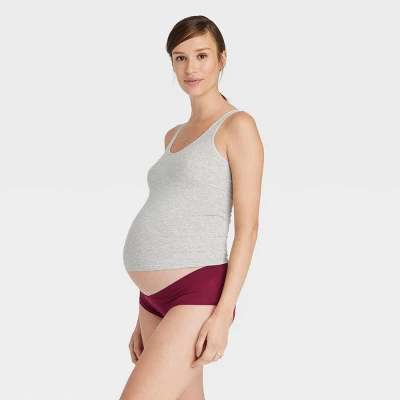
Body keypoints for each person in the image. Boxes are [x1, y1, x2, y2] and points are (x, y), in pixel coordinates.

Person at [119, 15, 264, 400]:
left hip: (197, 292)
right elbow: (169, 210)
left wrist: (224, 313)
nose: (191, 68)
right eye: (180, 58)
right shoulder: (173, 135)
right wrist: (142, 306)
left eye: (202, 55)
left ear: (222, 59)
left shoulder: (237, 126)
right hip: (153, 302)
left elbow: (248, 228)